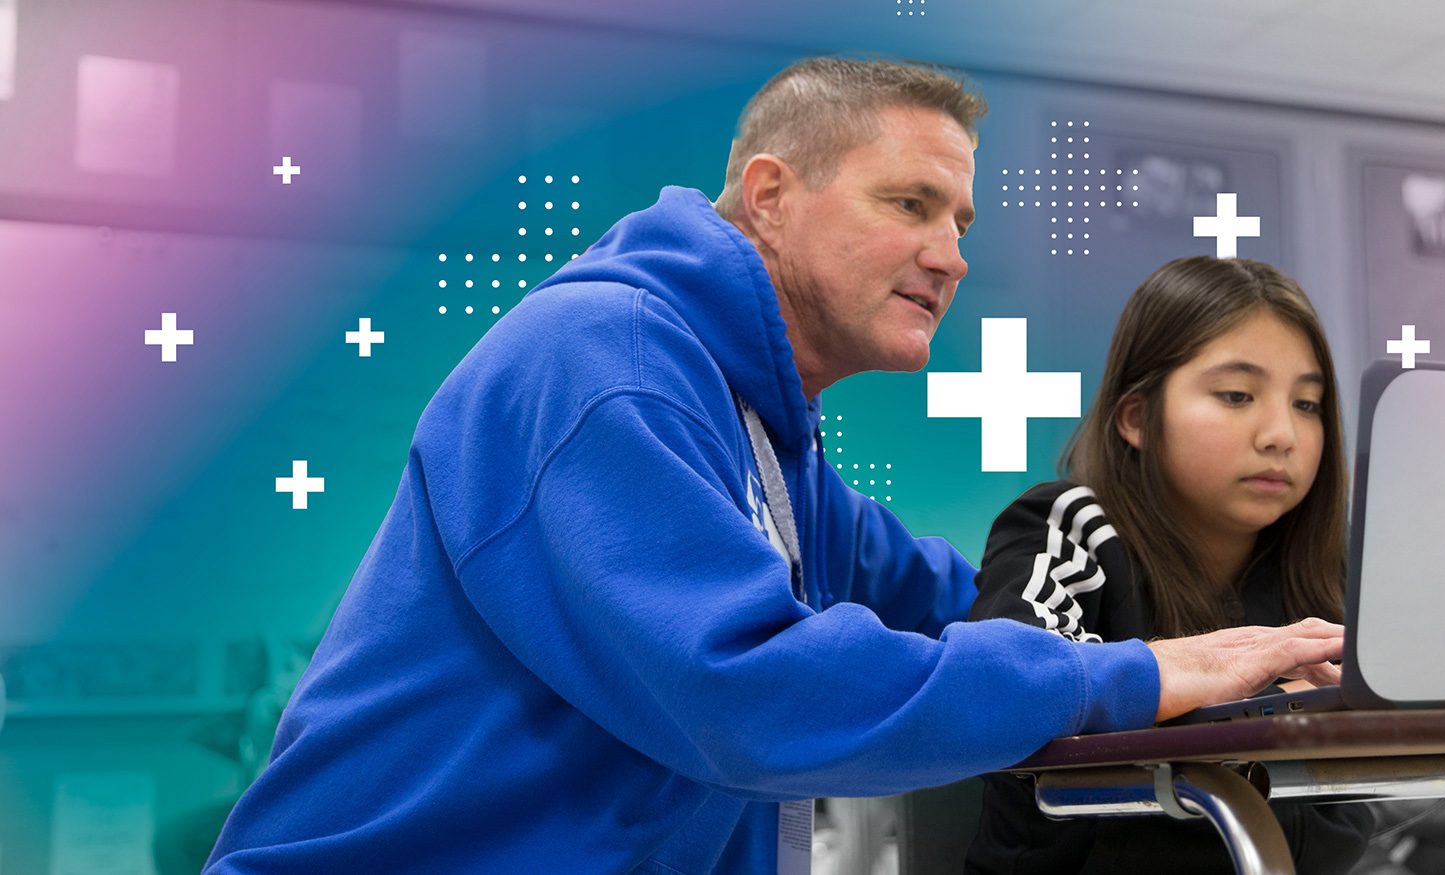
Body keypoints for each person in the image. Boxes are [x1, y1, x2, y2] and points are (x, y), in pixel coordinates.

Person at [204, 58, 1344, 875]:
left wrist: (1224, 626)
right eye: (910, 203)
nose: (950, 255)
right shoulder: (610, 368)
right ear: (769, 195)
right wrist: (1134, 672)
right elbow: (751, 689)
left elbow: (964, 597)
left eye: (960, 218)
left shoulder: (761, 427)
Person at [965, 256, 1374, 874]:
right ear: (1136, 418)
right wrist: (1255, 698)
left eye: (1309, 403)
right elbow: (1003, 686)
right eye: (1237, 395)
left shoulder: (1325, 568)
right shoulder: (1070, 524)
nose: (1282, 434)